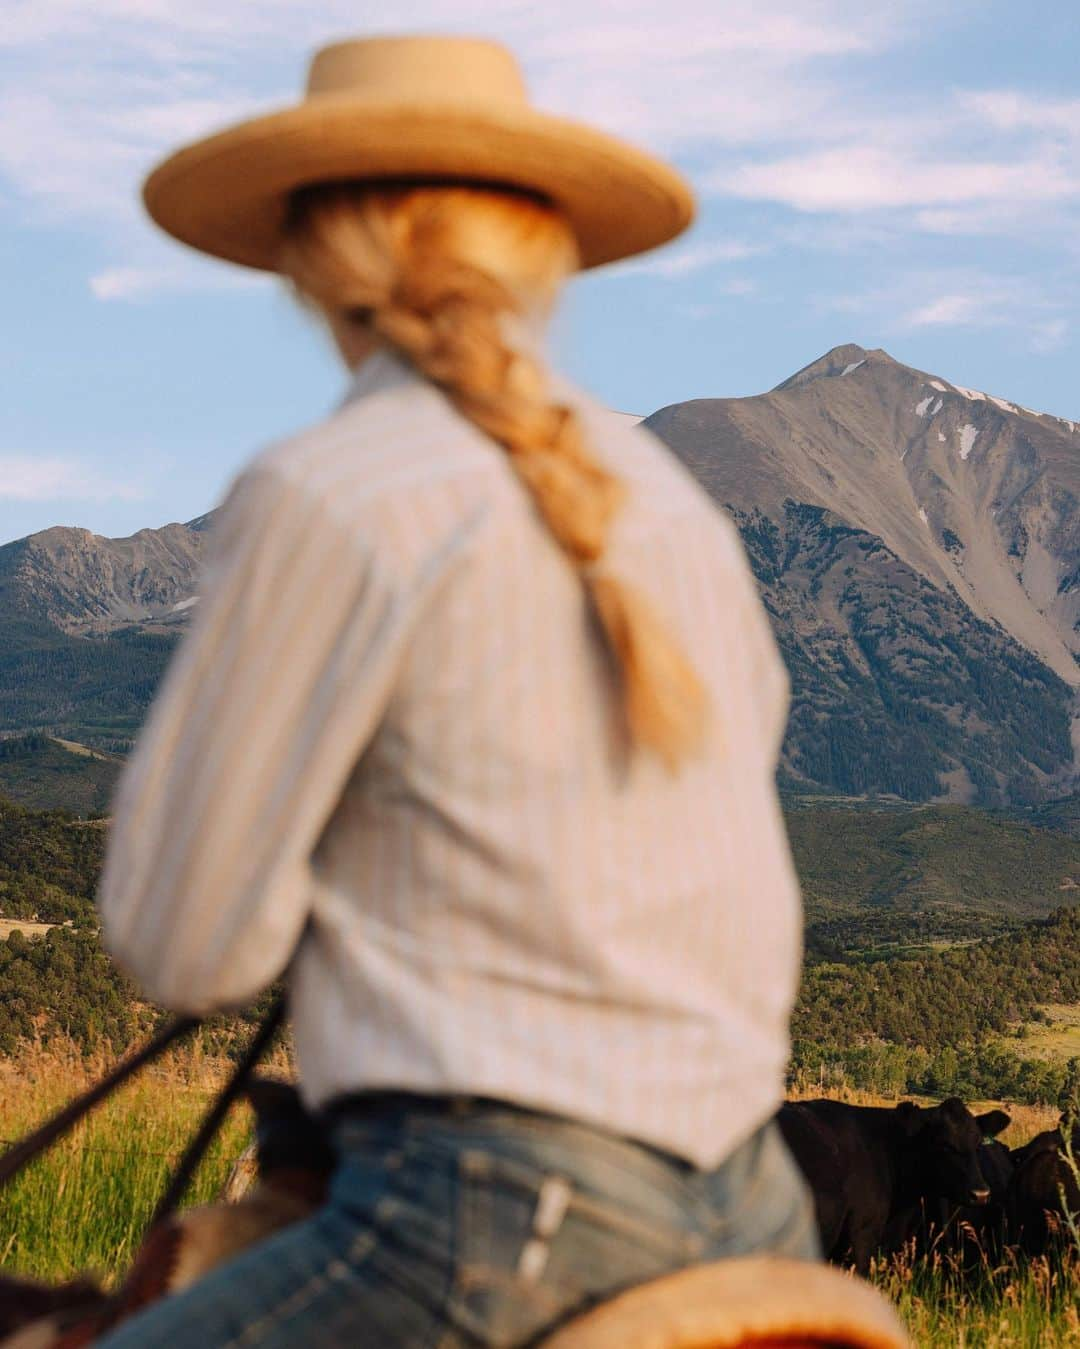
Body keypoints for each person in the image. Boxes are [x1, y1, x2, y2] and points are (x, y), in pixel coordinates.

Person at [95, 33, 818, 1349]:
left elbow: (187, 946)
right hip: (760, 1200)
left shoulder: (332, 491)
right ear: (544, 245)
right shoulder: (674, 509)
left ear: (312, 254)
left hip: (489, 1220)